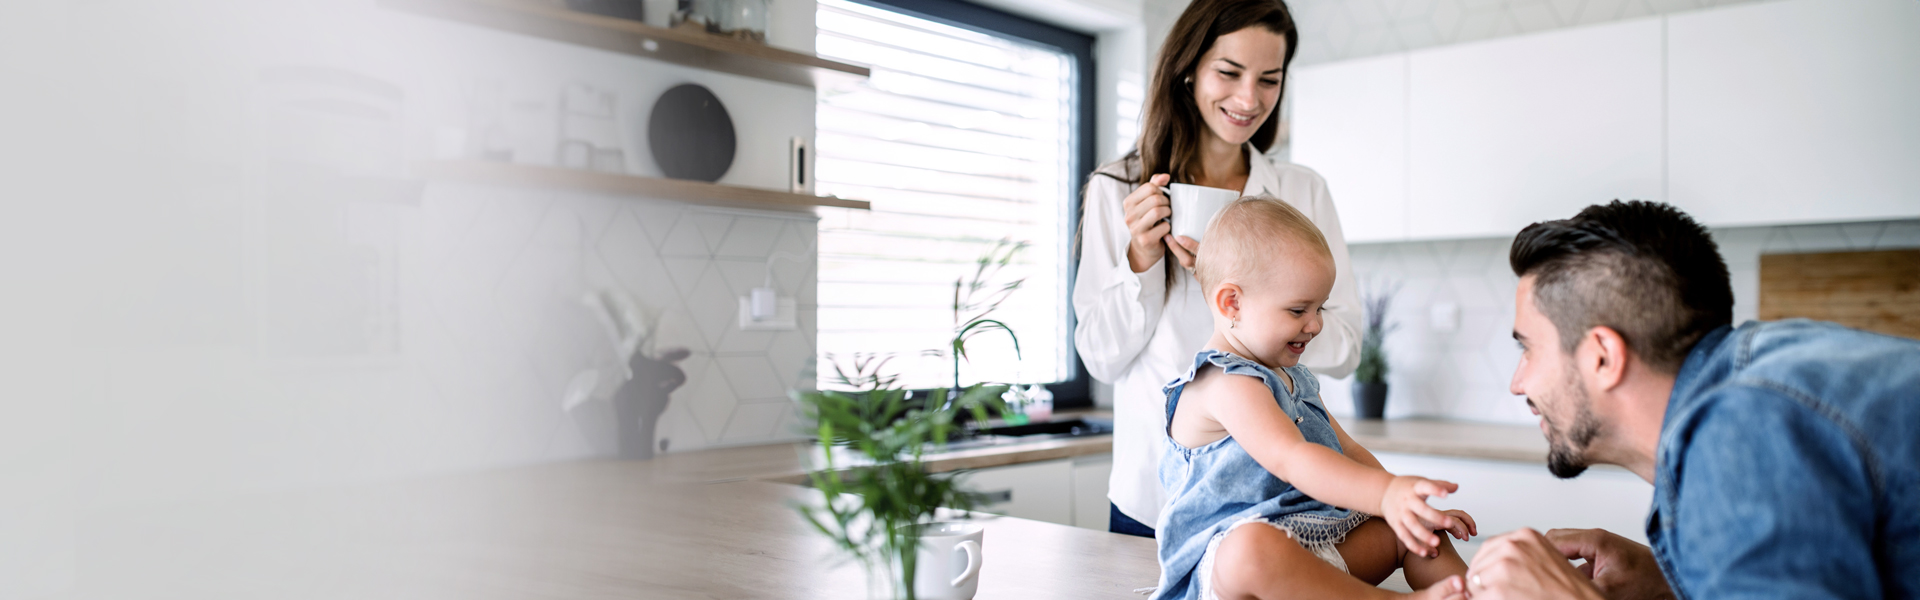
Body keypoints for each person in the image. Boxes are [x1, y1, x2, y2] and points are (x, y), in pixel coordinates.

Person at [1463, 200, 1920, 599]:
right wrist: (1671, 583)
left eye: (1527, 348)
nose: (1517, 383)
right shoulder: (1759, 377)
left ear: (1602, 357)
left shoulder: (1739, 434)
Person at [1073, 0, 1363, 539]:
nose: (1249, 99)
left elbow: (1345, 347)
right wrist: (1141, 259)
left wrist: (1255, 291)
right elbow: (1099, 358)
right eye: (1228, 72)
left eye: (1269, 80)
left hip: (1273, 501)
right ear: (1188, 68)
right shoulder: (1118, 190)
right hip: (1152, 499)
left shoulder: (1302, 191)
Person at [1149, 196, 1472, 600]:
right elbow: (1293, 460)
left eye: (1320, 308)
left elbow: (1347, 449)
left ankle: (1477, 593)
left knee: (1413, 531)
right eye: (1298, 309)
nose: (1316, 324)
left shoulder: (1294, 378)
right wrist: (1384, 495)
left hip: (1312, 548)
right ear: (1232, 303)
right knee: (1250, 548)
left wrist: (1401, 503)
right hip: (1236, 571)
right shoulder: (1224, 382)